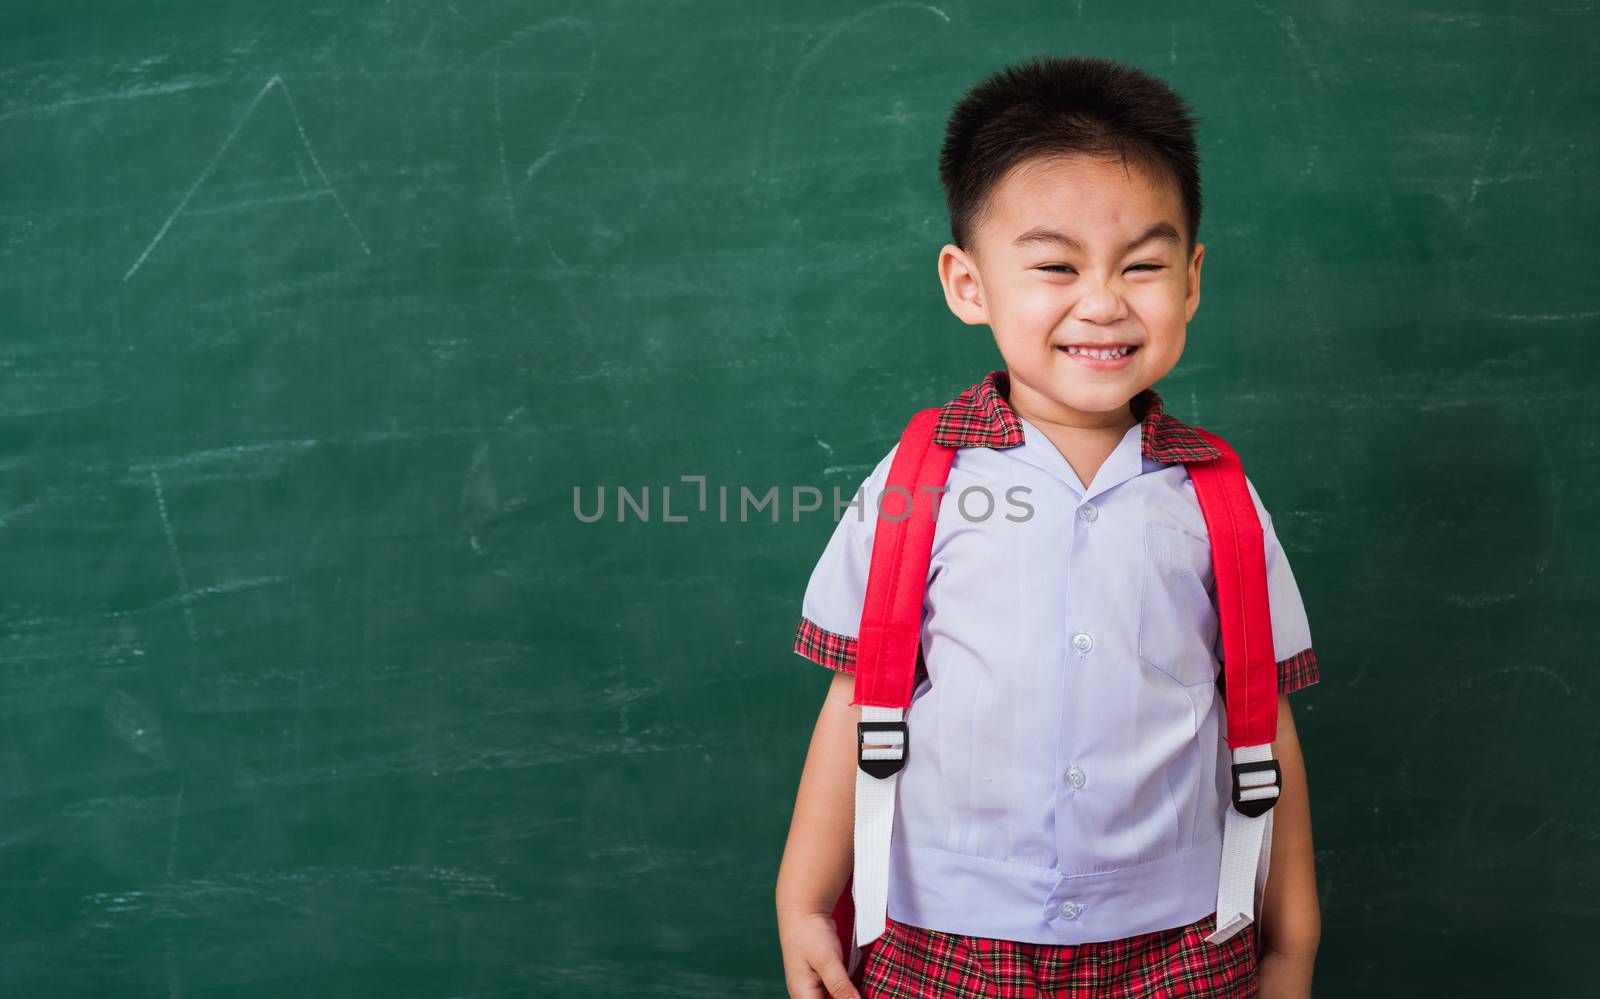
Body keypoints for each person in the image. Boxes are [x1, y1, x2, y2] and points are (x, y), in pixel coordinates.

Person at [775, 55, 1323, 999]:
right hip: (943, 937)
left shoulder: (1218, 496)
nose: (1104, 302)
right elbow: (856, 697)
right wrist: (800, 898)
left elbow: (1259, 712)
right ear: (968, 283)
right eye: (1056, 265)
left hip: (1184, 942)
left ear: (1191, 280)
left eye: (1143, 265)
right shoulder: (918, 479)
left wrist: (1292, 939)